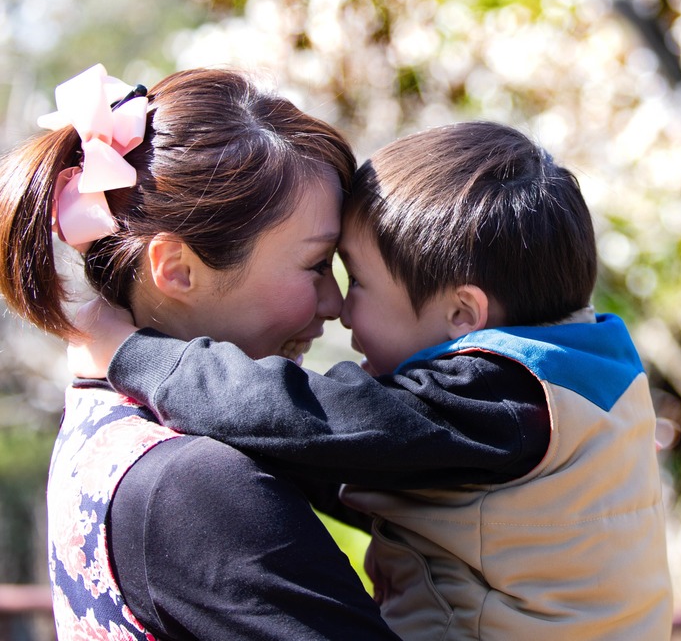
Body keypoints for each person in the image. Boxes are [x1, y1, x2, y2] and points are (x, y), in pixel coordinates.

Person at [75, 121, 674, 639]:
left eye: (357, 279)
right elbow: (345, 460)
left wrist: (135, 355)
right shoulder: (581, 377)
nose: (339, 306)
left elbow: (311, 419)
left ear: (462, 316)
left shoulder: (502, 396)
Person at [0, 64, 399, 640]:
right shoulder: (195, 486)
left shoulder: (109, 423)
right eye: (315, 265)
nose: (335, 302)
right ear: (177, 269)